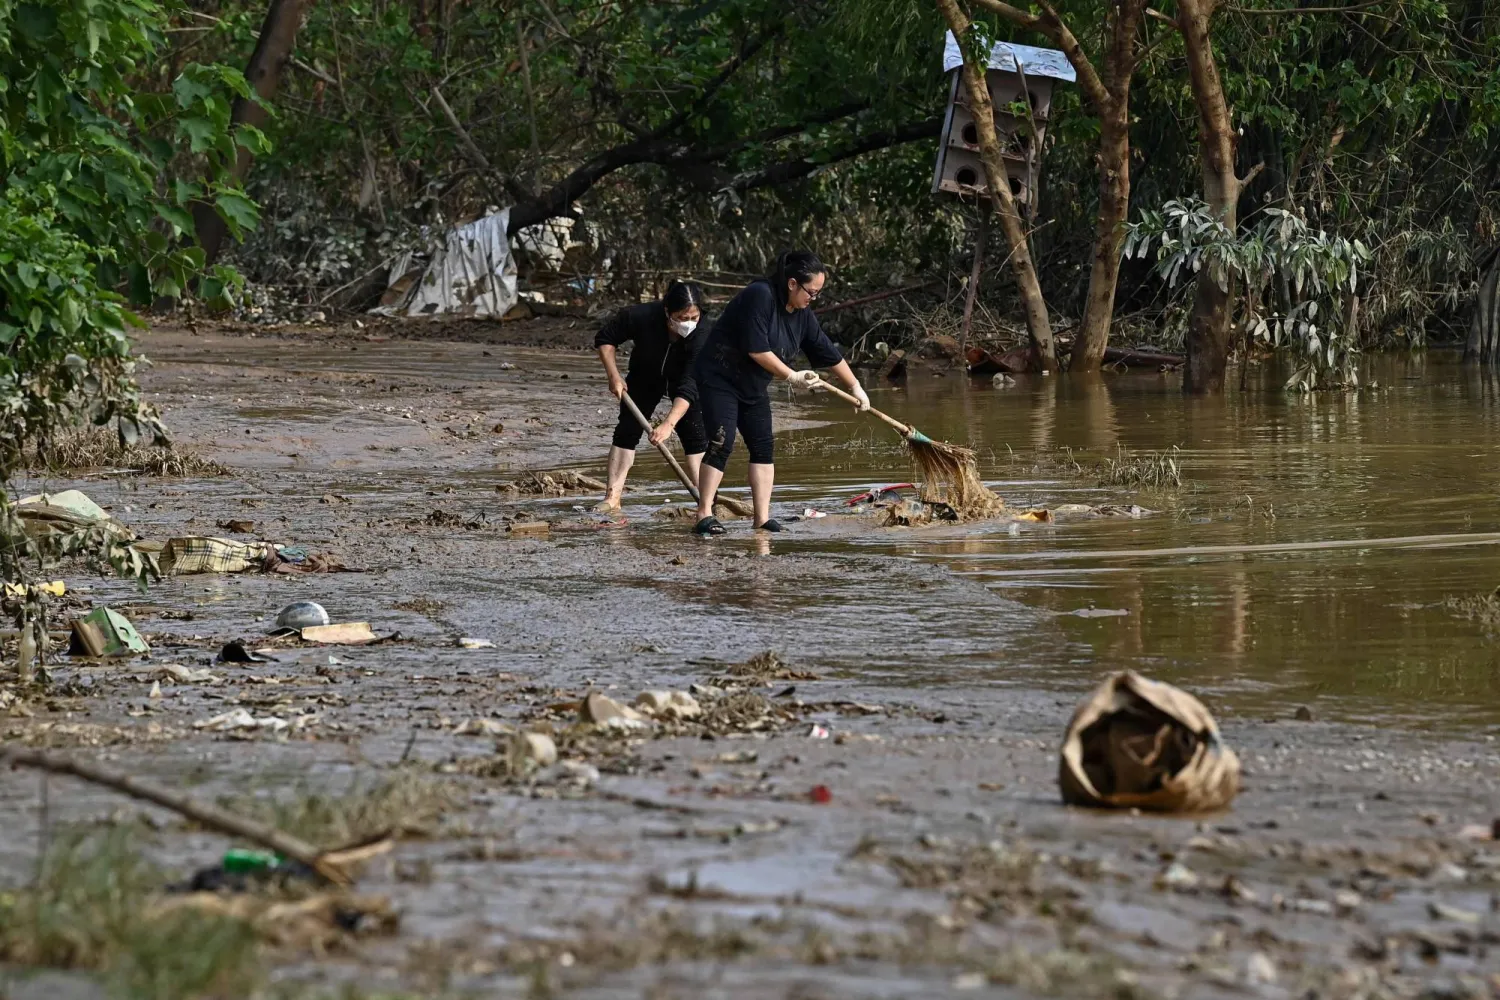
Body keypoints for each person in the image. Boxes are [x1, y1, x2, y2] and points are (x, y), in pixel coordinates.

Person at [682, 249, 869, 535]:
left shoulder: (802, 314)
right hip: (720, 378)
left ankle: (762, 518)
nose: (813, 298)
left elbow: (826, 350)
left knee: (763, 446)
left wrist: (855, 386)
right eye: (811, 291)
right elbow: (757, 349)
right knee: (722, 441)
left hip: (753, 385)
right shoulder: (761, 296)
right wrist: (792, 376)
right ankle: (704, 513)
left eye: (818, 293)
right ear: (792, 283)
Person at [593, 279, 709, 512]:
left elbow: (689, 384)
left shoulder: (704, 333)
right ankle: (612, 497)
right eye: (681, 318)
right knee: (626, 431)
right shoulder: (642, 316)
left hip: (683, 382)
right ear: (667, 311)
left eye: (693, 318)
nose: (688, 324)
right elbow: (606, 338)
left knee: (696, 437)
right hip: (645, 375)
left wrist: (669, 423)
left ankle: (706, 501)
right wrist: (613, 376)